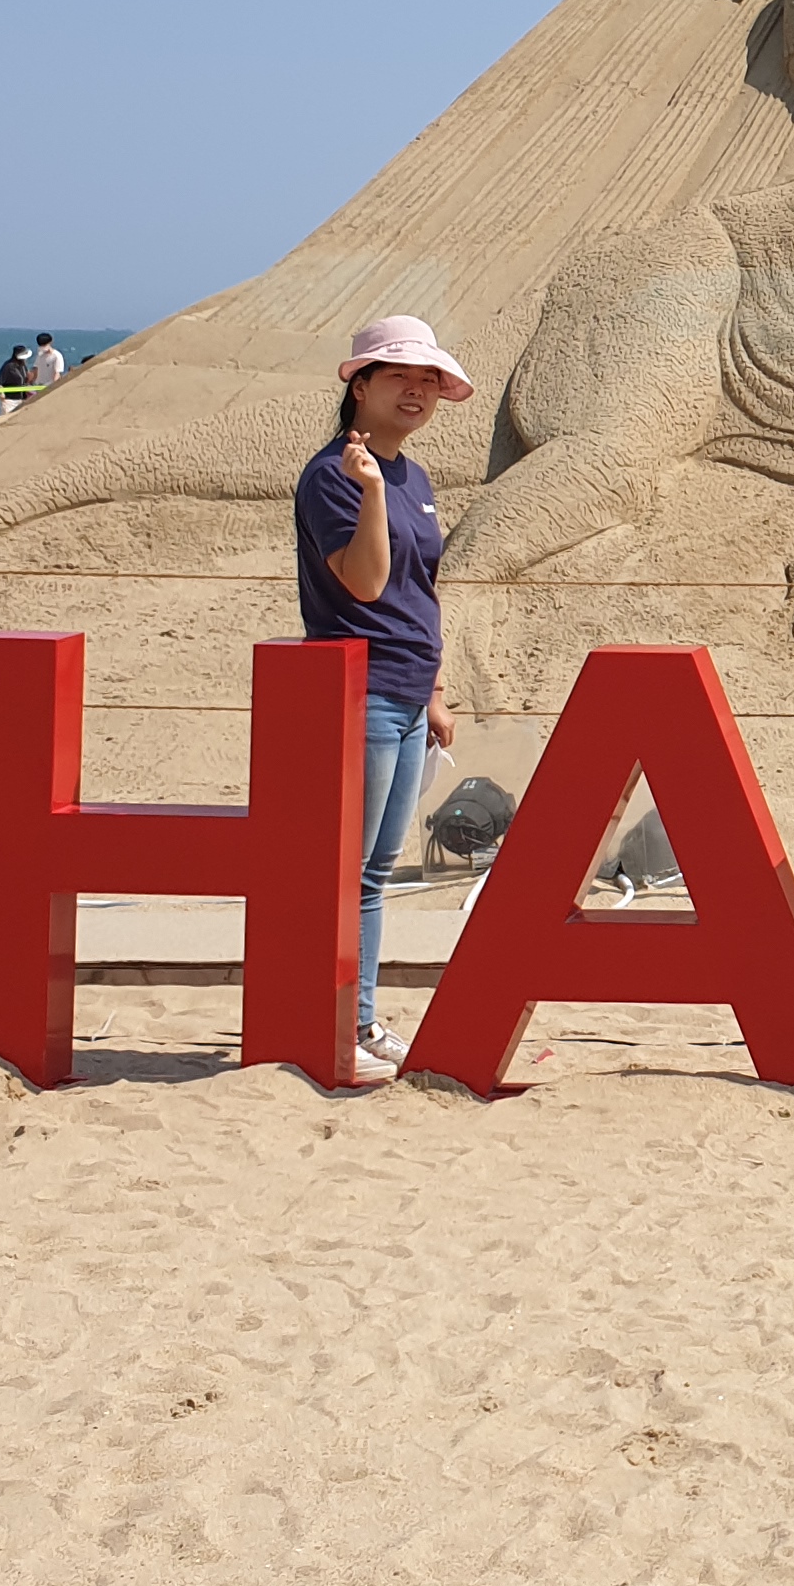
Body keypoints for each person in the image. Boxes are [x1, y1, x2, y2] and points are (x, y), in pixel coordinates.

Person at [296, 314, 475, 1074]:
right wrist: (369, 489)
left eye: (429, 379)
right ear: (360, 384)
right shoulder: (333, 475)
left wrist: (435, 688)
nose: (417, 390)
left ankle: (357, 1019)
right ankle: (334, 1021)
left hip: (405, 690)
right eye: (399, 375)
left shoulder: (415, 476)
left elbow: (420, 588)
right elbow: (366, 584)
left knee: (374, 871)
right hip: (359, 691)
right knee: (345, 868)